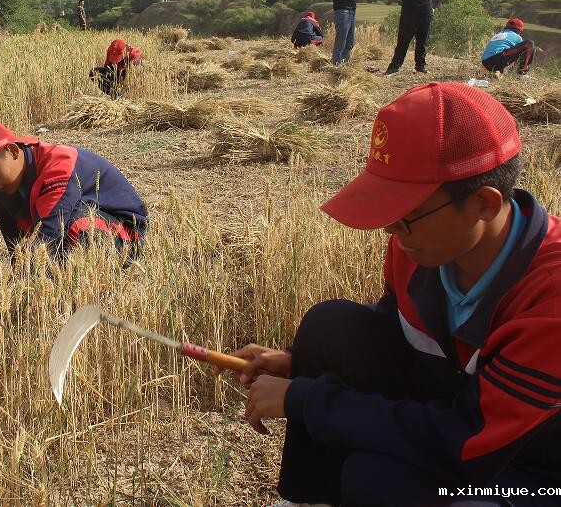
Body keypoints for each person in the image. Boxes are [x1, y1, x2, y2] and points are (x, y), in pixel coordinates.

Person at [236, 82, 561, 506]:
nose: (390, 232)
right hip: (462, 414)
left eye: (404, 218)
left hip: (531, 470)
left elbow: (470, 442)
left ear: (484, 203)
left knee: (381, 482)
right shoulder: (420, 248)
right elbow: (398, 329)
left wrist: (310, 399)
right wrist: (299, 363)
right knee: (330, 327)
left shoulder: (550, 299)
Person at [0, 120, 146, 262]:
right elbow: (15, 242)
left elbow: (50, 234)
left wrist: (26, 288)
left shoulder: (58, 166)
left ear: (13, 151)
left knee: (75, 228)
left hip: (124, 235)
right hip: (70, 224)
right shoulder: (0, 183)